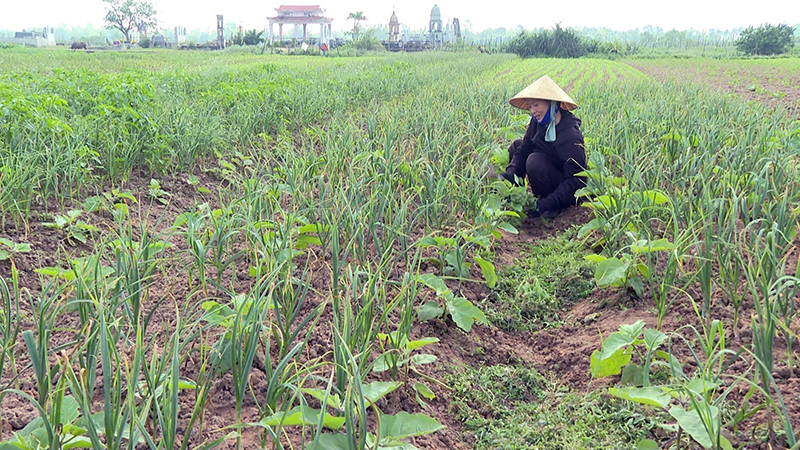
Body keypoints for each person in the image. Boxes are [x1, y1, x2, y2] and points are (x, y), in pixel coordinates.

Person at [499, 75, 585, 220]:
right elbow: (524, 149)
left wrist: (547, 203)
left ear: (551, 103)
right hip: (548, 164)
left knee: (534, 161)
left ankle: (550, 205)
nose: (532, 110)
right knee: (517, 146)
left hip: (567, 188)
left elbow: (574, 180)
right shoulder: (537, 123)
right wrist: (510, 172)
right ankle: (515, 195)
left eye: (536, 105)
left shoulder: (571, 135)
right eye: (530, 106)